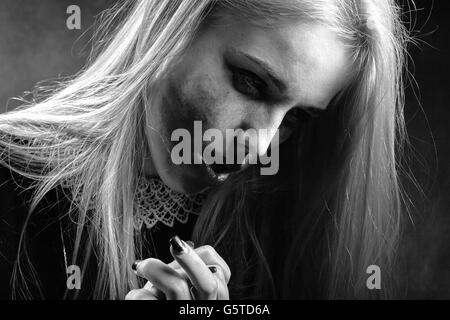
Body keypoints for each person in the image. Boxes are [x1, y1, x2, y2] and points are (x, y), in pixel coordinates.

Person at [0, 0, 411, 299]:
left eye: (295, 118)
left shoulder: (281, 223)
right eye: (250, 82)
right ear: (172, 25)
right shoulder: (9, 178)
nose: (259, 147)